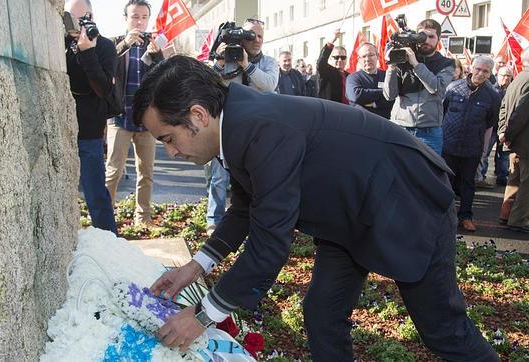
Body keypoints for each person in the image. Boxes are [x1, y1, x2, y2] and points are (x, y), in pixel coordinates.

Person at [133, 55, 498, 362]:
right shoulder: (235, 122)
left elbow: (269, 243)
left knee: (443, 331)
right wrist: (197, 267)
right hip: (349, 214)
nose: (172, 153)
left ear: (198, 115)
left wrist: (203, 315)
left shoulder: (259, 128)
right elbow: (247, 205)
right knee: (322, 314)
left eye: (168, 139)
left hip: (406, 200)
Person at [207, 19, 278, 234]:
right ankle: (214, 220)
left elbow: (269, 85)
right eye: (251, 35)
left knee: (257, 177)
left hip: (258, 129)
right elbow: (209, 85)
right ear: (239, 36)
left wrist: (246, 65)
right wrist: (219, 63)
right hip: (228, 126)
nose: (256, 40)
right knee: (219, 176)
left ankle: (257, 223)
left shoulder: (269, 62)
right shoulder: (226, 60)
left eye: (260, 36)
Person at [105, 0, 163, 226]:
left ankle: (143, 218)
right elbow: (105, 67)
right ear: (126, 19)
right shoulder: (114, 44)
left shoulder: (153, 44)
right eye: (134, 16)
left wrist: (157, 56)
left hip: (146, 121)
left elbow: (164, 76)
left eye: (143, 17)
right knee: (113, 172)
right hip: (119, 117)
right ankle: (106, 218)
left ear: (148, 19)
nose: (139, 21)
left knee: (146, 173)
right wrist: (123, 46)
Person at [65, 0, 117, 234]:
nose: (78, 25)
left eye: (84, 18)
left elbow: (103, 89)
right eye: (71, 19)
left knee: (95, 195)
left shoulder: (104, 46)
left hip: (88, 132)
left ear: (92, 16)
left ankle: (110, 243)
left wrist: (87, 52)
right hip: (60, 130)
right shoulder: (60, 44)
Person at [442, 56, 500, 232]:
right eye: (478, 69)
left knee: (468, 183)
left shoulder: (492, 96)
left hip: (472, 147)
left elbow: (491, 123)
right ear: (470, 68)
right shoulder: (453, 88)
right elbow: (442, 112)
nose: (480, 74)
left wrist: (484, 150)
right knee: (446, 182)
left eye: (485, 71)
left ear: (490, 74)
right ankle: (445, 215)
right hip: (448, 144)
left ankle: (465, 216)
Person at [383, 19, 455, 155]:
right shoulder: (402, 59)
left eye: (431, 37)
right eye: (422, 36)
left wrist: (415, 64)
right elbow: (389, 95)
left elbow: (437, 88)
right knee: (398, 172)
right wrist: (392, 67)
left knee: (430, 173)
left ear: (439, 39)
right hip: (400, 127)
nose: (426, 40)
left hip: (429, 131)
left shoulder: (446, 64)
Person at [497, 45, 529, 233]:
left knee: (515, 179)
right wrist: (507, 134)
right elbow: (522, 112)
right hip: (527, 141)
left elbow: (504, 107)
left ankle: (506, 214)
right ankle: (518, 220)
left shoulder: (519, 77)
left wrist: (504, 132)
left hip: (516, 139)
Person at [476, 66, 514, 189]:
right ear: (498, 76)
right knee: (485, 152)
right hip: (492, 126)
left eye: (508, 75)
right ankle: (481, 177)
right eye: (503, 75)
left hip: (505, 127)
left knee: (503, 154)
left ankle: (502, 177)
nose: (506, 78)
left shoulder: (513, 90)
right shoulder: (491, 90)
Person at [345, 43, 394, 119]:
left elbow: (394, 97)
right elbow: (356, 96)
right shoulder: (353, 78)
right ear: (359, 59)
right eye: (364, 56)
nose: (367, 59)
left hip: (385, 123)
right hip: (362, 123)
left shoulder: (387, 76)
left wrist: (376, 104)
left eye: (371, 55)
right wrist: (384, 92)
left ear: (377, 56)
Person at [317, 29, 350, 104]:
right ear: (330, 58)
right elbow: (320, 63)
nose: (340, 60)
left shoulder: (349, 76)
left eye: (343, 57)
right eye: (336, 57)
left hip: (348, 111)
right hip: (332, 110)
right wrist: (331, 41)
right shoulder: (326, 72)